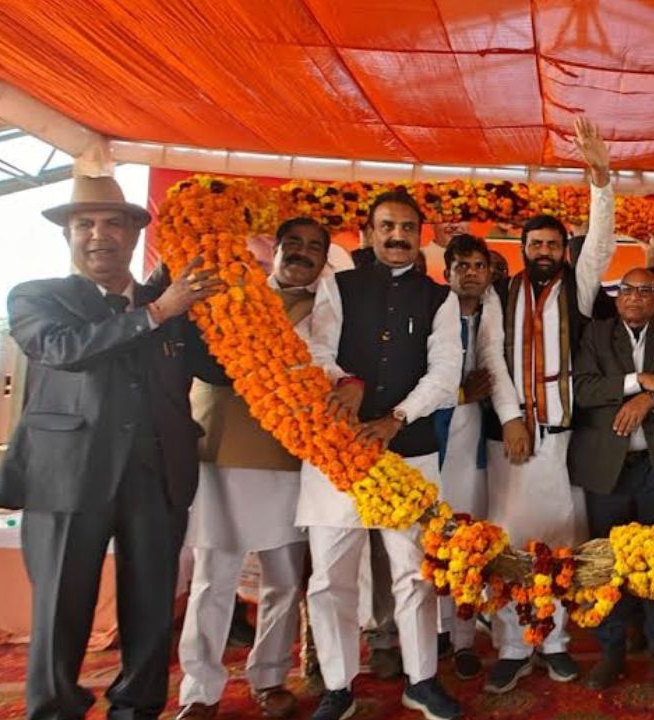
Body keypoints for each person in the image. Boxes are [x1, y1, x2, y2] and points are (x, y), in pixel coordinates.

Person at [0, 175, 225, 720]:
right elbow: (64, 349)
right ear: (67, 235)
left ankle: (137, 708)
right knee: (60, 607)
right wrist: (156, 314)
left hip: (158, 473)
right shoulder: (38, 296)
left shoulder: (175, 301)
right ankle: (54, 709)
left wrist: (238, 304)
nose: (99, 235)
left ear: (136, 235)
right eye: (85, 225)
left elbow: (218, 370)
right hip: (67, 475)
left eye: (113, 223)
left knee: (151, 607)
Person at [298, 189, 463, 720]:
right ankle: (338, 686)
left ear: (421, 235)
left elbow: (446, 374)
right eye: (387, 226)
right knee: (330, 576)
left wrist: (397, 418)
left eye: (407, 228)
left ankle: (422, 680)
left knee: (414, 572)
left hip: (409, 451)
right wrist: (344, 381)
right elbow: (315, 351)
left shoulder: (439, 298)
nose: (397, 236)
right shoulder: (338, 286)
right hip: (338, 452)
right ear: (368, 233)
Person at [478, 116, 616, 694]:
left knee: (559, 543)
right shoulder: (499, 294)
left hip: (560, 440)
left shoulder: (577, 289)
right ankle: (512, 647)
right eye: (534, 245)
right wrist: (512, 418)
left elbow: (601, 244)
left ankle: (555, 643)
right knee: (508, 544)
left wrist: (600, 180)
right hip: (509, 440)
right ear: (522, 250)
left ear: (564, 251)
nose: (543, 252)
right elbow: (492, 360)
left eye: (552, 245)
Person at [176, 218, 331, 720]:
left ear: (324, 259)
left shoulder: (329, 311)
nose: (302, 253)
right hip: (221, 449)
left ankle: (269, 678)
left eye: (314, 247)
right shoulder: (232, 295)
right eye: (293, 244)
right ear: (276, 249)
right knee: (213, 577)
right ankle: (199, 690)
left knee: (283, 578)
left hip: (289, 455)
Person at [570, 267, 654, 693]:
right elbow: (582, 390)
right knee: (607, 564)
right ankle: (612, 652)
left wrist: (649, 400)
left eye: (646, 291)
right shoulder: (595, 335)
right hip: (606, 470)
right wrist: (638, 380)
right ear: (617, 296)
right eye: (628, 289)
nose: (636, 296)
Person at [431, 233, 514, 681]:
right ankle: (433, 633)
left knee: (467, 540)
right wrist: (461, 394)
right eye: (461, 266)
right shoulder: (431, 313)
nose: (471, 273)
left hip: (475, 449)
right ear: (447, 272)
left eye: (479, 266)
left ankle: (463, 638)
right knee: (429, 542)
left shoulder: (494, 318)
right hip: (431, 445)